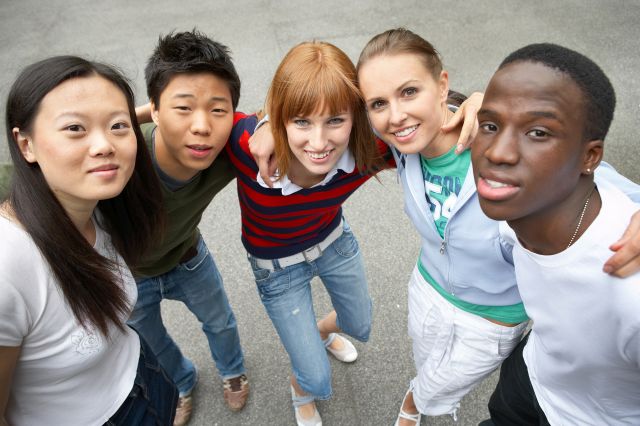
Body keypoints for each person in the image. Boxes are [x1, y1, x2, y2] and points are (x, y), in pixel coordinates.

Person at [355, 28, 640, 425]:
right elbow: (318, 107)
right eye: (378, 103)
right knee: (426, 364)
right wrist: (264, 127)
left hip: (491, 318)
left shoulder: (494, 142)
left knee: (439, 387)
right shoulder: (403, 143)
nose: (396, 115)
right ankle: (417, 399)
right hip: (428, 290)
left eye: (408, 92)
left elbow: (580, 169)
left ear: (441, 85)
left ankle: (413, 407)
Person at [224, 40, 398, 426]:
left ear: (355, 117)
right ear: (282, 117)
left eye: (335, 120)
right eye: (301, 121)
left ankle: (316, 333)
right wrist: (266, 120)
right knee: (316, 378)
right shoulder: (247, 145)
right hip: (277, 268)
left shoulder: (368, 151)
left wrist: (466, 105)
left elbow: (434, 119)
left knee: (361, 322)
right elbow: (188, 116)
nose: (319, 144)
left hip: (334, 243)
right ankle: (301, 387)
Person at [0, 56, 176, 425]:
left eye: (117, 125)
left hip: (144, 378)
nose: (103, 145)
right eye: (75, 128)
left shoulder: (98, 205)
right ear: (26, 144)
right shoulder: (9, 262)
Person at [473, 43, 640, 426]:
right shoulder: (523, 199)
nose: (497, 152)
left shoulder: (629, 284)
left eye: (538, 132)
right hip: (531, 377)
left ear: (589, 157)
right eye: (491, 125)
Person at [127, 30, 249, 425]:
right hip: (129, 275)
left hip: (188, 258)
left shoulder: (228, 151)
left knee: (220, 321)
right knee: (150, 340)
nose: (202, 126)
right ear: (155, 110)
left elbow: (297, 117)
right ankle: (181, 382)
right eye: (183, 108)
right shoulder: (121, 155)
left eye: (218, 110)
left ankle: (232, 372)